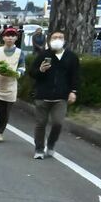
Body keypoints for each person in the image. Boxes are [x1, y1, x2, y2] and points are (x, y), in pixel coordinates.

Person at [30, 30, 80, 159]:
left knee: (58, 123)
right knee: (40, 123)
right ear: (50, 40)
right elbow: (32, 73)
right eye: (54, 37)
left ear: (64, 40)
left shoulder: (71, 57)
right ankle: (39, 149)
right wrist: (41, 70)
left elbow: (75, 76)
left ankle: (51, 144)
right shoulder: (43, 55)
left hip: (61, 97)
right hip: (43, 95)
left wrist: (73, 91)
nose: (57, 39)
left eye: (60, 37)